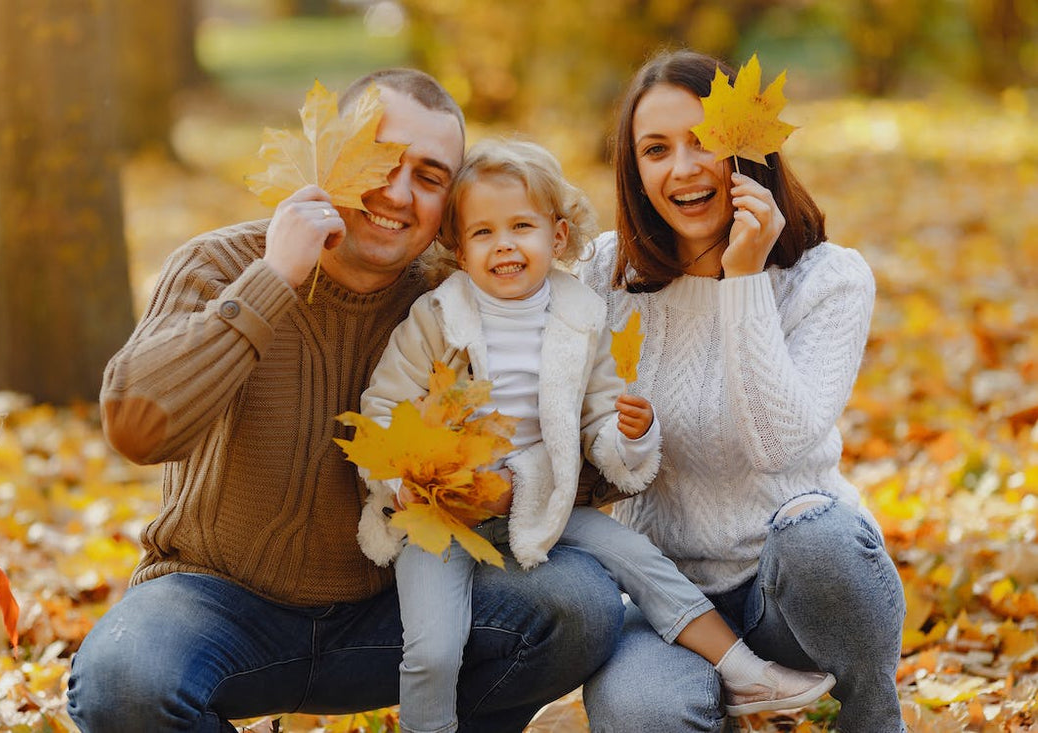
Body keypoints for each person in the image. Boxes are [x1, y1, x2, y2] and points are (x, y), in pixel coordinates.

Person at [65, 69, 628, 733]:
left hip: (399, 609)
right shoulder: (223, 265)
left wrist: (502, 486)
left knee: (581, 604)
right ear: (332, 155)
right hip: (214, 605)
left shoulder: (462, 301)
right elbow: (137, 426)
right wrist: (275, 278)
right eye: (379, 159)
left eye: (429, 176)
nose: (398, 192)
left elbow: (589, 455)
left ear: (448, 208)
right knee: (122, 681)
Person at [353, 138, 836, 733]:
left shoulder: (578, 315)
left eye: (521, 226)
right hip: (438, 511)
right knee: (433, 648)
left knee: (640, 558)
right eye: (482, 232)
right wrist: (399, 478)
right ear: (458, 246)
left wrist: (631, 434)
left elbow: (598, 419)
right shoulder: (437, 318)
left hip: (540, 501)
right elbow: (382, 407)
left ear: (556, 236)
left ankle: (743, 669)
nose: (503, 244)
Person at [577, 49, 906, 732]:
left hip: (792, 591)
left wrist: (745, 278)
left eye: (702, 140)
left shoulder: (828, 280)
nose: (682, 168)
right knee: (640, 712)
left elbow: (776, 447)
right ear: (634, 171)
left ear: (747, 146)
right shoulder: (606, 273)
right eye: (655, 150)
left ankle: (872, 719)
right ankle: (717, 702)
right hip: (668, 602)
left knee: (822, 538)